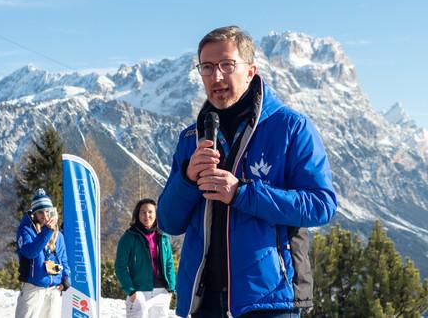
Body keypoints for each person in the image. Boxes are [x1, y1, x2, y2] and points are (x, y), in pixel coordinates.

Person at [157, 26, 337, 318]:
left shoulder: (291, 127)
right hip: (204, 302)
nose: (216, 77)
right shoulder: (191, 138)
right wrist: (187, 179)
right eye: (207, 67)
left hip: (269, 300)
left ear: (250, 71)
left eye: (227, 65)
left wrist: (241, 193)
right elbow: (168, 221)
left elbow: (321, 205)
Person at [115, 198, 176, 318]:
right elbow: (120, 267)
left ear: (156, 214)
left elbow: (169, 263)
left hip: (161, 291)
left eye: (150, 212)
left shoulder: (163, 237)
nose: (147, 215)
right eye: (143, 212)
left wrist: (170, 288)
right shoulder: (129, 237)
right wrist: (131, 290)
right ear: (137, 215)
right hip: (139, 291)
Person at [15, 188, 71, 318]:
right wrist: (47, 232)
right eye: (40, 212)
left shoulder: (58, 235)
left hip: (53, 290)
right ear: (34, 213)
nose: (45, 216)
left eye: (47, 211)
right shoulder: (25, 230)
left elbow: (63, 259)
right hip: (32, 289)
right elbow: (30, 252)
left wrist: (66, 279)